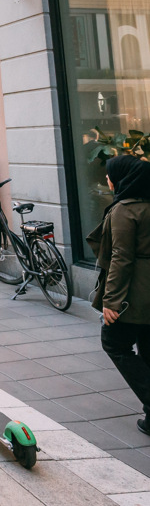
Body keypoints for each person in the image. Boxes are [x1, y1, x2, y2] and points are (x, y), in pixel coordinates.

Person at [87, 156, 150, 435]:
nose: (107, 181)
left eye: (110, 176)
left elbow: (121, 259)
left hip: (135, 293)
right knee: (147, 348)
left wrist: (111, 302)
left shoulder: (126, 210)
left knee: (114, 342)